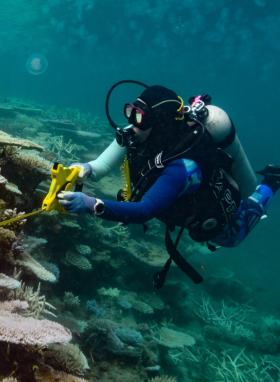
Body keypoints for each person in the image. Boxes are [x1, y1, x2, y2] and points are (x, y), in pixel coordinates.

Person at [57, 82, 279, 288]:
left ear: (160, 123)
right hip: (176, 207)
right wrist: (85, 168)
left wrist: (91, 204)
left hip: (215, 218)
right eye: (131, 112)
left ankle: (271, 182)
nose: (132, 123)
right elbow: (101, 165)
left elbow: (144, 211)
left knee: (233, 235)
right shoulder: (140, 133)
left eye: (140, 117)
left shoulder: (183, 168)